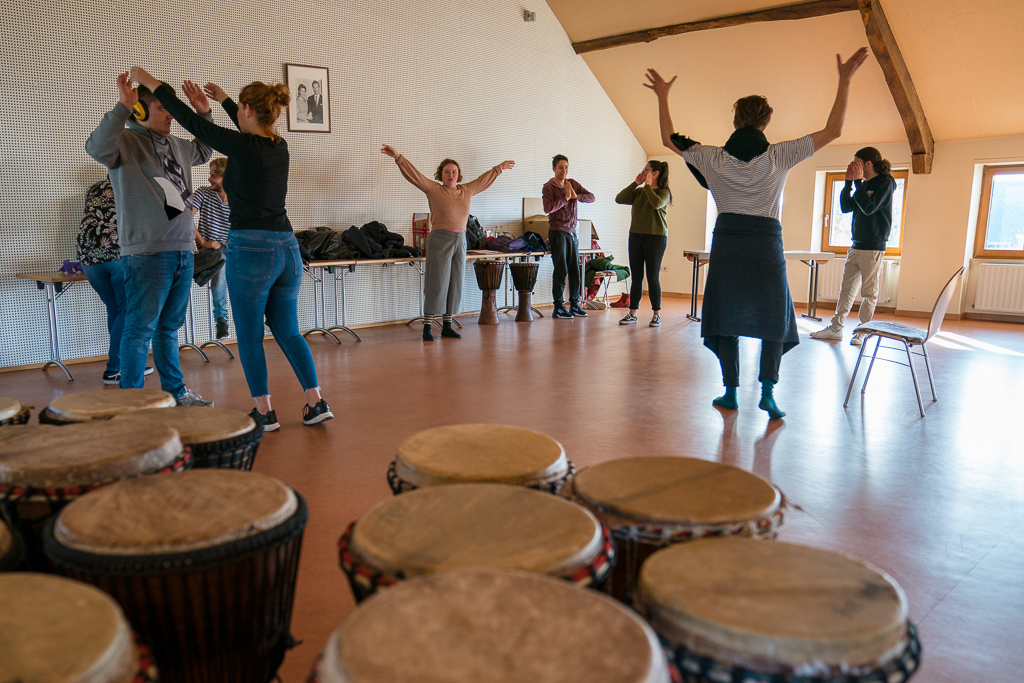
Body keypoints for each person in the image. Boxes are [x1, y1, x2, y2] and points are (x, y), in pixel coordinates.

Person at [646, 47, 869, 419]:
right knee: (774, 317)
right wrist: (845, 79)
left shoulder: (711, 157)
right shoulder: (779, 155)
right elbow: (834, 131)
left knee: (726, 315)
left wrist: (663, 95)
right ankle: (767, 392)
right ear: (765, 123)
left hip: (728, 243)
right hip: (766, 245)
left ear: (735, 122)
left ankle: (730, 392)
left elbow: (670, 138)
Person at [129, 66, 333, 430]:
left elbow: (192, 122)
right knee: (288, 331)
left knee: (251, 335)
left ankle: (265, 412)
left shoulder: (242, 146)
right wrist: (224, 99)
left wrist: (150, 82)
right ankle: (317, 402)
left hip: (252, 248)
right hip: (287, 247)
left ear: (248, 110)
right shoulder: (278, 146)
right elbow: (243, 127)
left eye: (240, 108)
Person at [86, 73, 214, 406]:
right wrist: (122, 108)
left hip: (183, 249)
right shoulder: (125, 143)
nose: (171, 114)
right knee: (140, 329)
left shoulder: (179, 146)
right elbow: (96, 148)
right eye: (162, 107)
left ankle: (175, 391)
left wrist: (203, 113)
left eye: (172, 107)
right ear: (141, 111)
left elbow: (204, 149)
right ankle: (133, 402)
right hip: (147, 253)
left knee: (168, 328)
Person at [381, 145, 514, 341]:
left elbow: (483, 180)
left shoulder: (466, 190)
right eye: (447, 172)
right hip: (439, 239)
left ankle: (447, 326)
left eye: (454, 172)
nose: (451, 175)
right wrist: (398, 157)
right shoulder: (433, 189)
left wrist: (499, 168)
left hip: (460, 240)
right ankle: (427, 326)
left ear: (458, 175)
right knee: (437, 281)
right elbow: (414, 176)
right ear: (440, 174)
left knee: (455, 282)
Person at [810, 147, 897, 345]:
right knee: (846, 290)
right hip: (856, 245)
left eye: (857, 162)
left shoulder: (885, 182)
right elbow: (846, 207)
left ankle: (862, 331)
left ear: (868, 163)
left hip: (873, 247)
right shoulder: (863, 185)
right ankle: (836, 328)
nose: (854, 166)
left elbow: (869, 207)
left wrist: (857, 183)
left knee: (869, 293)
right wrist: (849, 182)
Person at [77, 174, 154, 384]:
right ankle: (114, 368)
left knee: (115, 309)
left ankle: (125, 363)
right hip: (117, 255)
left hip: (89, 259)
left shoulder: (94, 188)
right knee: (127, 310)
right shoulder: (132, 190)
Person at [615, 160, 672, 327]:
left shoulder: (664, 193)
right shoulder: (639, 192)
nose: (643, 172)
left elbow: (656, 203)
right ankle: (632, 313)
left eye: (646, 170)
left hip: (656, 237)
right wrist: (636, 183)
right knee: (637, 277)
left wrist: (647, 185)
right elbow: (619, 198)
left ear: (655, 173)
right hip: (635, 236)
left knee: (653, 277)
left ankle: (656, 315)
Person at [542, 155, 595, 318]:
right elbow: (547, 208)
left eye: (566, 167)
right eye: (560, 167)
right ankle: (558, 307)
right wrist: (565, 198)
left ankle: (574, 305)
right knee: (561, 269)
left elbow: (591, 197)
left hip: (572, 233)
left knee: (574, 270)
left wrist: (575, 196)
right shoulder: (549, 187)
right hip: (558, 232)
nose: (563, 170)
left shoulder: (572, 184)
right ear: (554, 169)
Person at [192, 157, 232, 339]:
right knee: (220, 261)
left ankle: (268, 312)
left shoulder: (239, 198)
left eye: (214, 176)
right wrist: (203, 242)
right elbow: (185, 218)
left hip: (233, 249)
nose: (209, 179)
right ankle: (221, 319)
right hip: (212, 251)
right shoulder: (203, 193)